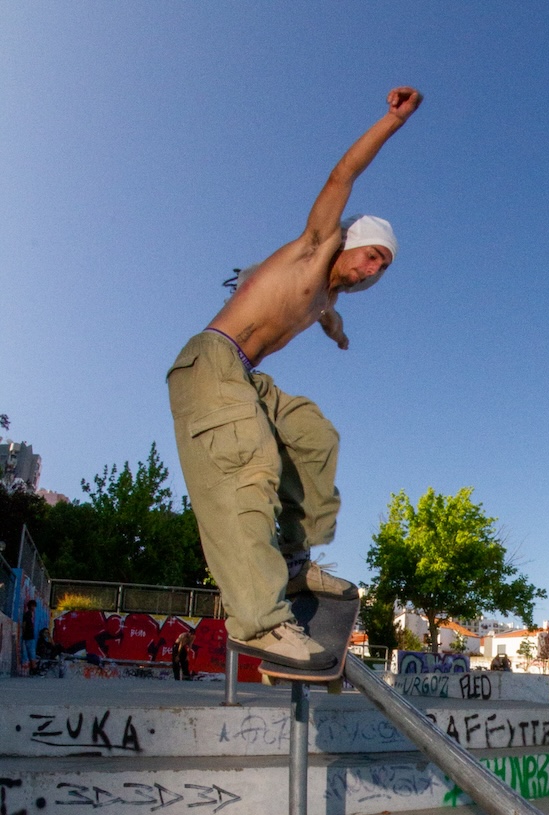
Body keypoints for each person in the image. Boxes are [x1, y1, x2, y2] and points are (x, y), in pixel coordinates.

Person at [167, 86, 423, 671]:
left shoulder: (326, 298)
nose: (372, 270)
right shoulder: (315, 248)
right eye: (371, 256)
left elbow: (325, 310)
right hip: (211, 361)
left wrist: (335, 329)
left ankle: (291, 558)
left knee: (313, 436)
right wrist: (392, 120)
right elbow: (343, 175)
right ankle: (259, 621)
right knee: (250, 463)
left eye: (383, 267)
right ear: (347, 243)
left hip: (244, 377)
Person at [20, 599, 37, 673]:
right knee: (31, 652)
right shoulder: (28, 614)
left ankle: (33, 668)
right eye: (34, 606)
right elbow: (24, 625)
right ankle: (34, 668)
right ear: (31, 606)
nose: (34, 608)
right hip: (29, 636)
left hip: (28, 636)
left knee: (30, 652)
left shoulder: (29, 614)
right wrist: (24, 632)